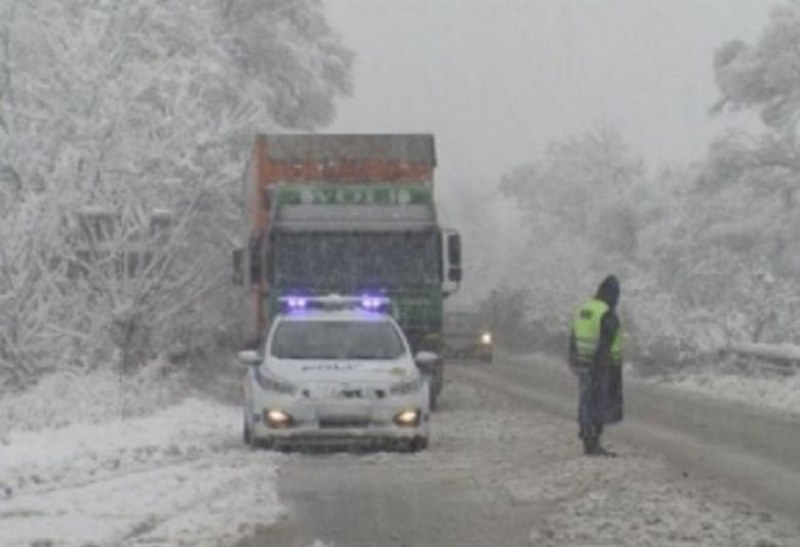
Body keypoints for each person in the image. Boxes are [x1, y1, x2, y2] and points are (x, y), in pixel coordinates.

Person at [568, 275, 624, 456]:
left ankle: (587, 438)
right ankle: (594, 442)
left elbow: (573, 338)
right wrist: (601, 365)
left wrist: (573, 359)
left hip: (582, 362)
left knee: (585, 401)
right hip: (601, 366)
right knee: (597, 403)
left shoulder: (582, 309)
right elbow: (605, 344)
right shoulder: (606, 313)